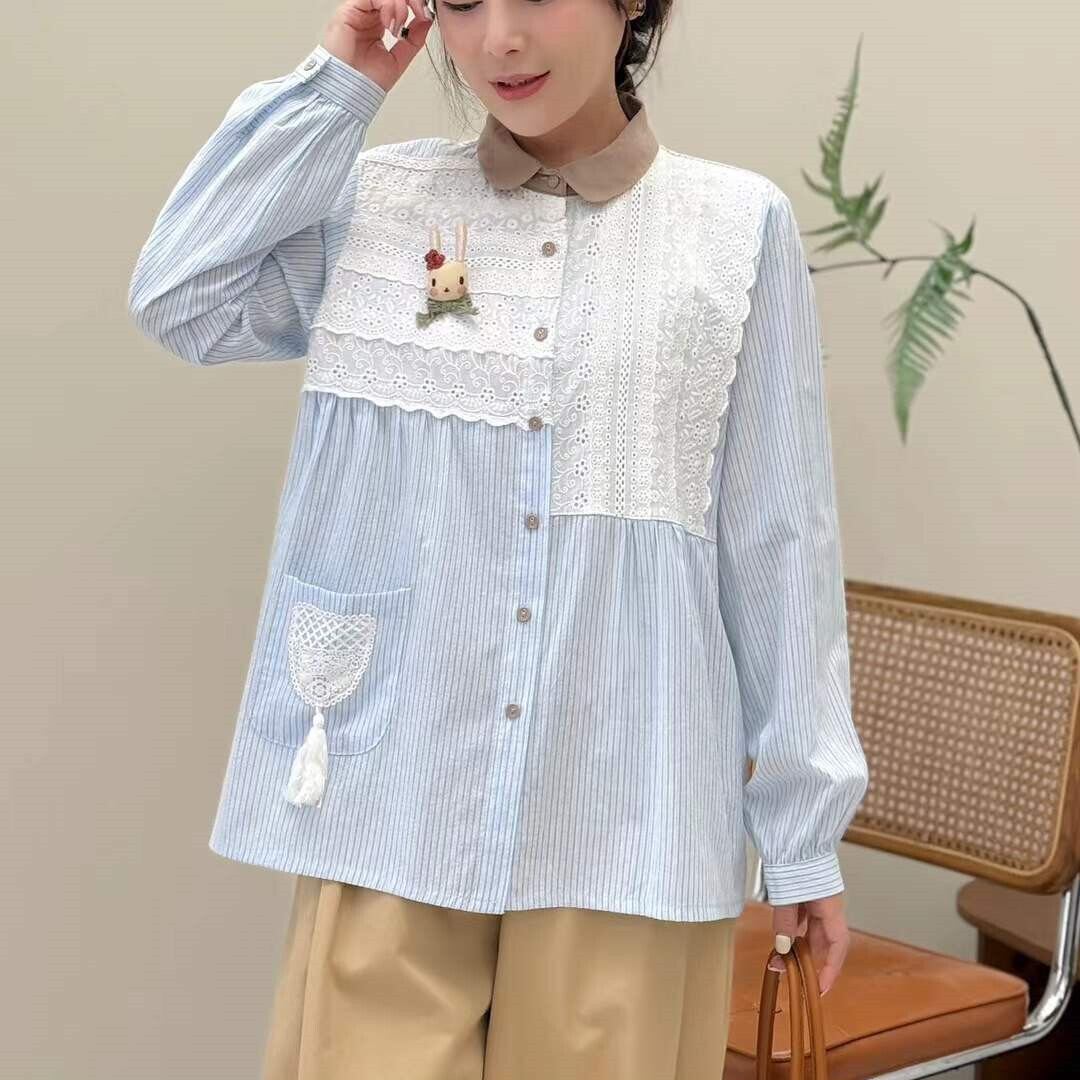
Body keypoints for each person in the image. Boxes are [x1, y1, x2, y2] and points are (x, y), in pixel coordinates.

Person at [127, 1, 870, 1076]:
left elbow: (779, 541)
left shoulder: (734, 229)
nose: (501, 40)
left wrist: (802, 833)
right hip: (394, 801)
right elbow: (183, 296)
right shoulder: (375, 203)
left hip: (626, 817)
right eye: (466, 1)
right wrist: (343, 77)